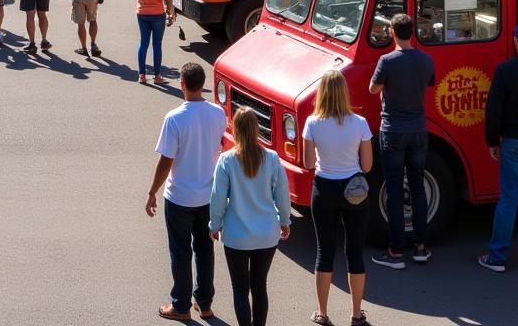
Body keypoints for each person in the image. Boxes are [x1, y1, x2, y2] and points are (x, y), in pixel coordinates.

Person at [146, 62, 227, 321]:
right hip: (208, 196)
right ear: (202, 84)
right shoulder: (218, 113)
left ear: (182, 83)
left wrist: (151, 192)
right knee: (205, 249)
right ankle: (204, 304)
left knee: (181, 251)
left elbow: (165, 161)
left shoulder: (175, 118)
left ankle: (180, 306)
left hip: (180, 197)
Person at [302, 70, 374, 326]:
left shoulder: (312, 123)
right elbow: (366, 166)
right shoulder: (360, 123)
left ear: (321, 93)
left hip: (324, 189)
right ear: (344, 92)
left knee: (324, 251)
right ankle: (356, 314)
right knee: (355, 251)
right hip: (354, 191)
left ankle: (322, 313)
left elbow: (309, 163)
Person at [209, 107, 291, 326]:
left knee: (240, 289)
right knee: (259, 286)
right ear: (257, 130)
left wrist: (214, 224)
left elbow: (217, 197)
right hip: (266, 235)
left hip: (236, 236)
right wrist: (285, 221)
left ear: (235, 130)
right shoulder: (272, 159)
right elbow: (282, 195)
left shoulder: (226, 161)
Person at [368, 12, 436, 269]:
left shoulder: (386, 60)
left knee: (395, 191)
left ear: (392, 34)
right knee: (417, 188)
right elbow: (430, 82)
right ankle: (420, 247)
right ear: (413, 32)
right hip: (418, 130)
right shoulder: (425, 59)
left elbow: (373, 89)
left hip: (393, 131)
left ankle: (396, 252)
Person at [478, 20, 518, 272]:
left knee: (509, 200)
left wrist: (493, 141)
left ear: (516, 40)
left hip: (514, 141)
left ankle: (498, 256)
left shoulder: (506, 70)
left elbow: (494, 111)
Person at [135, 0, 175, 84]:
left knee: (143, 43)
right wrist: (171, 13)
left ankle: (142, 75)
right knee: (157, 44)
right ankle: (157, 76)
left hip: (141, 13)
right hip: (157, 14)